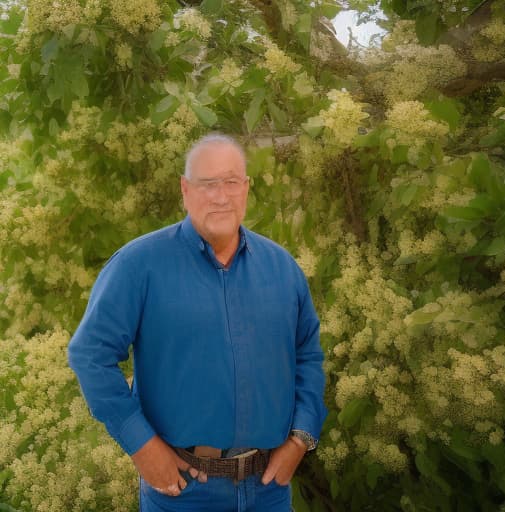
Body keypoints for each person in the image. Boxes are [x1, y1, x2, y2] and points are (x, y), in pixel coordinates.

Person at [68, 133, 327, 512]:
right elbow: (90, 355)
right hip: (183, 492)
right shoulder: (139, 265)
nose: (220, 196)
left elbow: (308, 355)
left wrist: (301, 438)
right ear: (185, 190)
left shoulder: (283, 268)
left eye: (231, 182)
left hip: (269, 490)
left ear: (246, 188)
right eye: (207, 184)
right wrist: (141, 445)